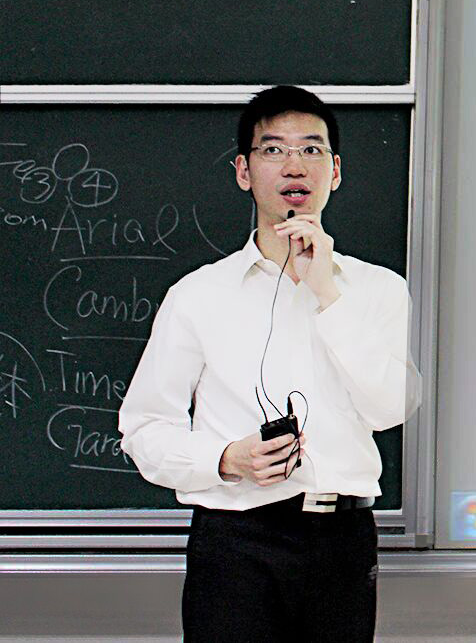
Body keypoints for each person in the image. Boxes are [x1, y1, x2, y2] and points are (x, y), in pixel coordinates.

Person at [119, 85, 414, 642]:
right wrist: (225, 458)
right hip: (236, 539)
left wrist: (327, 293)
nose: (294, 165)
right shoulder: (198, 294)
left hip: (342, 537)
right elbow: (144, 427)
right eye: (273, 149)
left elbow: (389, 410)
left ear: (335, 172)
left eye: (311, 149)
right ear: (244, 171)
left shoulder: (378, 289)